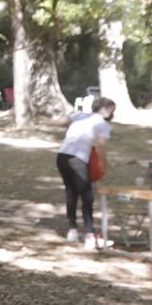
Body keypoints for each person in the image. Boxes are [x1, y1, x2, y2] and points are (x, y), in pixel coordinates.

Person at [56, 97, 116, 247]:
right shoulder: (102, 124)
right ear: (106, 109)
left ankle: (72, 231)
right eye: (112, 110)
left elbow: (63, 122)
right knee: (87, 196)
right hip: (78, 159)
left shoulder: (80, 115)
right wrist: (105, 165)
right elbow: (101, 146)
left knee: (71, 193)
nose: (112, 113)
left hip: (62, 156)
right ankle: (90, 235)